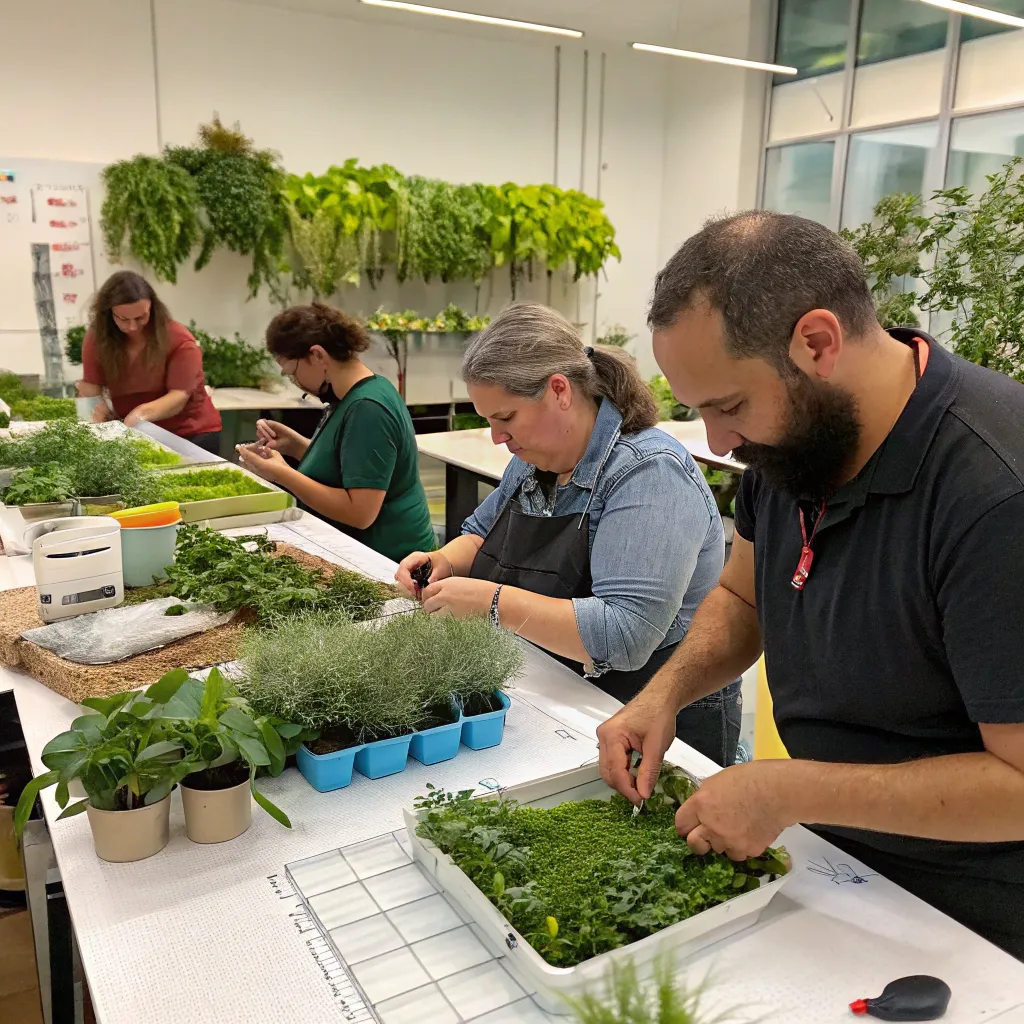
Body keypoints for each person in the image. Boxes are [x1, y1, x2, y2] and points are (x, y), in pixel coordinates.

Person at [596, 210, 1024, 959]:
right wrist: (662, 696)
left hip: (968, 925)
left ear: (818, 343)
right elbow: (741, 598)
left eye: (729, 406)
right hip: (828, 859)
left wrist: (789, 790)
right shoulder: (797, 443)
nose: (719, 442)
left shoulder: (995, 493)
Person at [395, 303, 741, 767]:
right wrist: (444, 561)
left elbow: (626, 635)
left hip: (654, 709)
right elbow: (480, 535)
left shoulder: (648, 474)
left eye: (506, 417)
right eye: (489, 421)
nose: (497, 437)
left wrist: (493, 603)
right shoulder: (535, 459)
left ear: (559, 390)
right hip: (566, 689)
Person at [237, 303, 434, 564]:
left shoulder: (368, 408)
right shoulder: (354, 395)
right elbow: (350, 466)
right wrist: (296, 446)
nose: (296, 383)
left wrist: (282, 473)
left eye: (293, 373)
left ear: (317, 355)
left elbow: (360, 513)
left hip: (390, 561)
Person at [78, 271, 222, 453]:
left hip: (189, 434)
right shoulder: (97, 338)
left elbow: (178, 397)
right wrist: (93, 426)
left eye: (140, 318)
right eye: (123, 319)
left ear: (152, 308)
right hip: (136, 432)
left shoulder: (178, 340)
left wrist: (139, 414)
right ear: (108, 314)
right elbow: (91, 388)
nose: (132, 327)